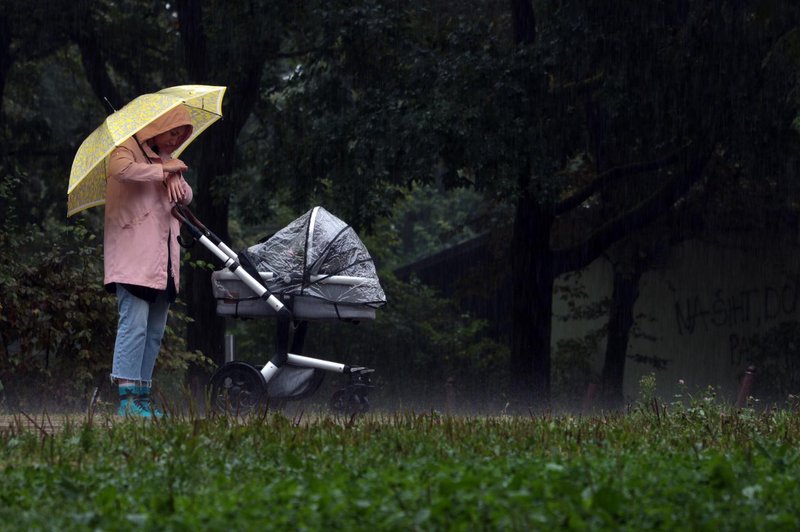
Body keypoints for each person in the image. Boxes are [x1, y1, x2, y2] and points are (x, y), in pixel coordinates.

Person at [104, 106, 194, 417]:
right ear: (158, 126)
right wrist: (162, 172)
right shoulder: (126, 147)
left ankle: (142, 396)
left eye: (181, 134)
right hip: (133, 256)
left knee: (155, 330)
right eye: (173, 132)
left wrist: (174, 175)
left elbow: (186, 196)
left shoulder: (168, 159)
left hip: (164, 259)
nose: (177, 139)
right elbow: (122, 171)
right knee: (134, 326)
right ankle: (127, 400)